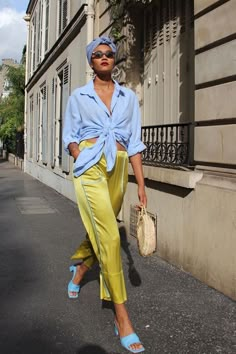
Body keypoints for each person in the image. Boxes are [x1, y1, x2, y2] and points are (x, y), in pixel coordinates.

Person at [63, 36, 147, 353]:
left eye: (108, 53)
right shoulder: (78, 97)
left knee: (103, 229)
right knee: (111, 237)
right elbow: (69, 135)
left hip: (119, 165)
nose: (103, 57)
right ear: (91, 61)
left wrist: (141, 183)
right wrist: (79, 153)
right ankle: (122, 318)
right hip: (90, 166)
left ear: (114, 59)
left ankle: (81, 270)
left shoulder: (127, 98)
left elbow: (135, 143)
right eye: (97, 54)